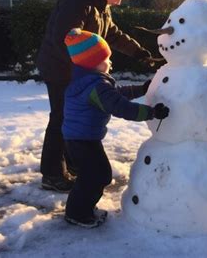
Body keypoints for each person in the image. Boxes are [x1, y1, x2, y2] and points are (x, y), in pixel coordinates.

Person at [36, 0, 154, 192]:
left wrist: (138, 52)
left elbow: (113, 34)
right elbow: (64, 40)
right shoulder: (75, 3)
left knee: (75, 119)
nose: (118, 1)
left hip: (80, 72)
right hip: (61, 70)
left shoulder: (100, 7)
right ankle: (52, 173)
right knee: (62, 118)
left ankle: (74, 162)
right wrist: (85, 70)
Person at [61, 28, 169, 228]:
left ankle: (79, 209)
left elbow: (115, 95)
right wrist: (152, 112)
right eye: (106, 59)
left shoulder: (89, 81)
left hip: (80, 138)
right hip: (82, 140)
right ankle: (78, 213)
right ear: (94, 63)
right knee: (96, 176)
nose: (110, 62)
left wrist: (140, 89)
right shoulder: (95, 86)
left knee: (94, 175)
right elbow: (121, 107)